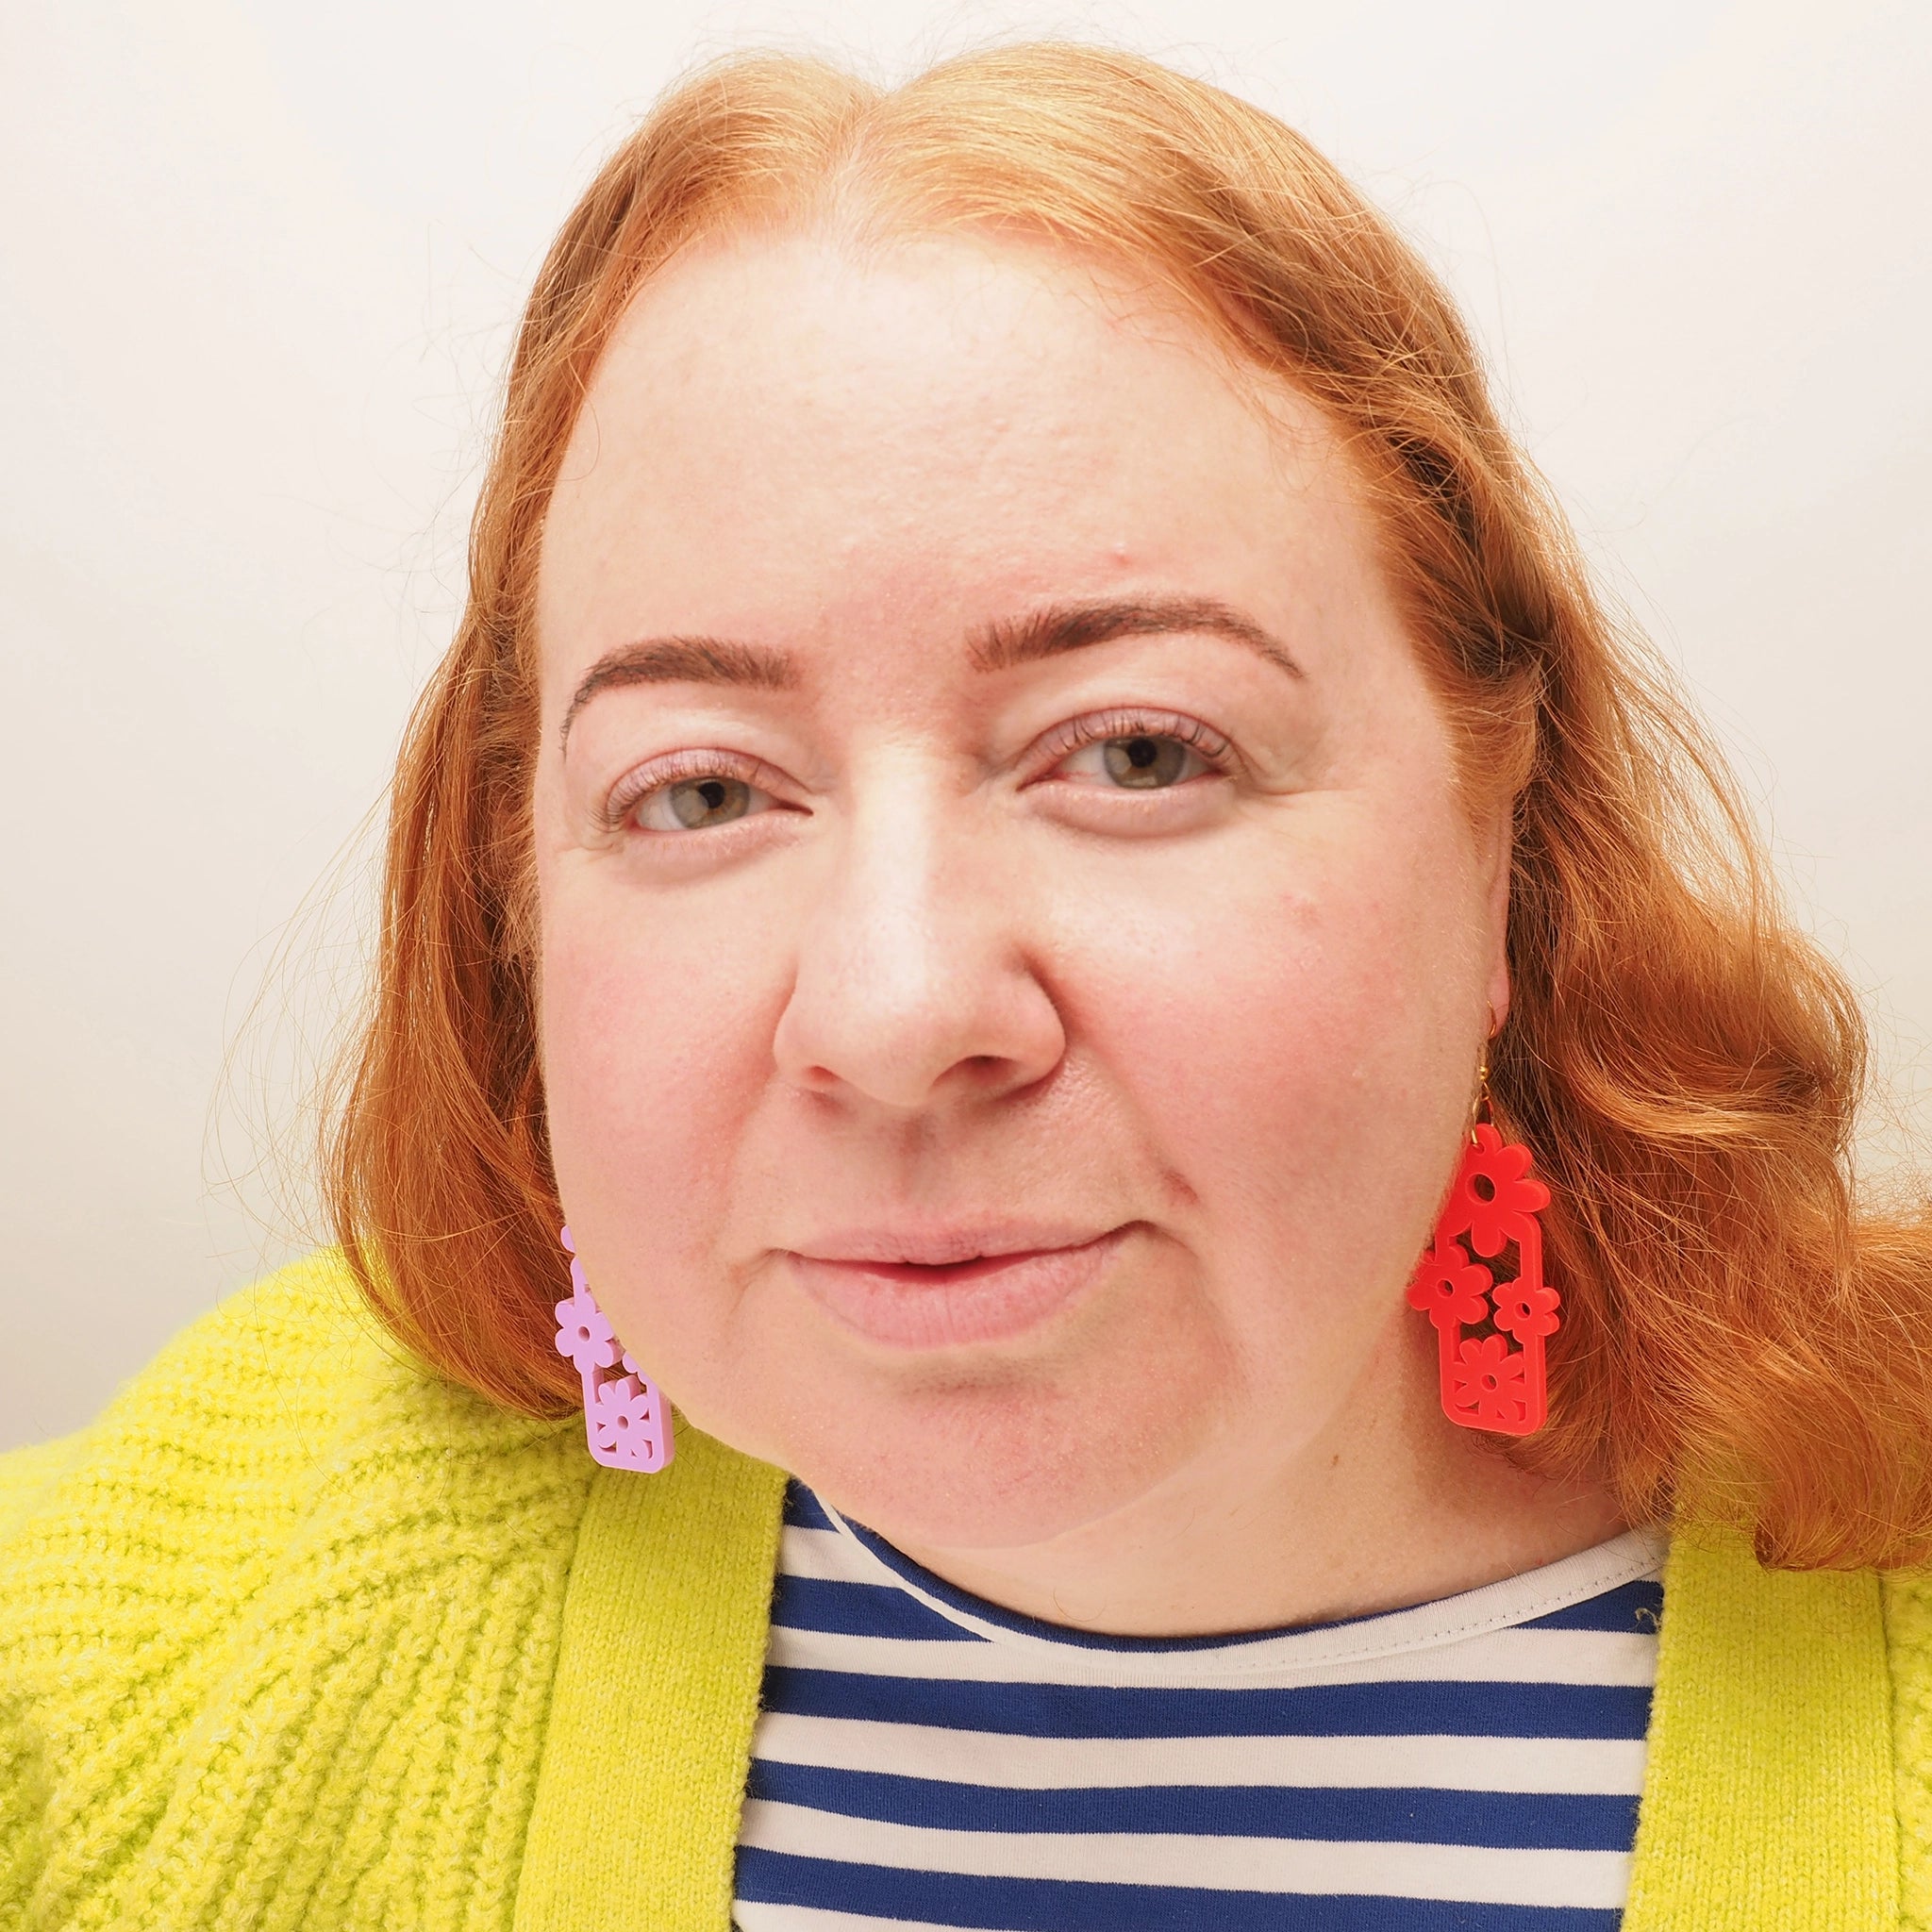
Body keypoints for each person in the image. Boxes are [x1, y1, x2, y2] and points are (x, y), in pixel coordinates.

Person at [4, 40, 1930, 1931]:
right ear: (515, 886)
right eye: (699, 790)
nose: (898, 1008)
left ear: (1499, 854)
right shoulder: (187, 1640)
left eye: (1141, 753)